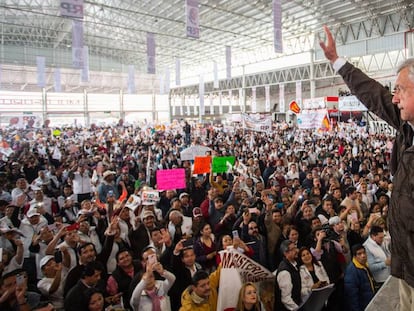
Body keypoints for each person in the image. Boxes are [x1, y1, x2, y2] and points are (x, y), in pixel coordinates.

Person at [320, 25, 414, 309]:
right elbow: (373, 94)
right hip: (407, 268)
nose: (394, 98)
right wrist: (337, 60)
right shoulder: (406, 126)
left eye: (400, 90)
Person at [344, 244, 376, 311]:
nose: (363, 256)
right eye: (359, 254)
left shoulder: (364, 265)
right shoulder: (352, 272)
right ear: (355, 256)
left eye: (364, 253)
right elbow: (352, 296)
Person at [274, 240, 301, 311]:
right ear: (285, 253)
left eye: (295, 247)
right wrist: (298, 309)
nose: (296, 250)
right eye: (293, 249)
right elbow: (286, 299)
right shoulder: (284, 272)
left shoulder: (294, 264)